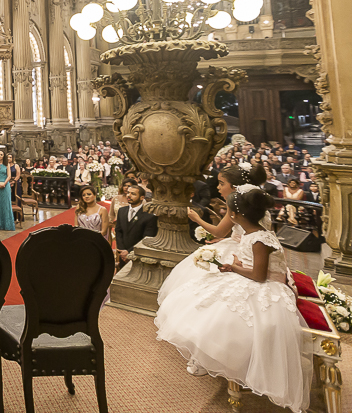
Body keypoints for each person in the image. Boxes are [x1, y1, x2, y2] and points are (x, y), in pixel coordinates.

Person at [155, 190, 310, 412]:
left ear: (235, 215)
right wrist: (237, 263)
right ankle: (207, 359)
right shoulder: (251, 233)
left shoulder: (259, 238)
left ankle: (232, 362)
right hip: (252, 277)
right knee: (199, 299)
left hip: (266, 287)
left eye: (228, 211)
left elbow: (259, 275)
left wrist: (234, 267)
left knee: (222, 316)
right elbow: (253, 264)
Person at [161, 165, 270, 299]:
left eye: (222, 183)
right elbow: (247, 233)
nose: (218, 187)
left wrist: (197, 219)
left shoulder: (236, 205)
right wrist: (226, 239)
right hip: (252, 247)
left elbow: (219, 231)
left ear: (235, 186)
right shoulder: (255, 203)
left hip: (243, 251)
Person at [114, 183, 158, 269]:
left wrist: (129, 252)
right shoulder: (122, 211)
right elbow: (118, 231)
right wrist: (122, 251)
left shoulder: (149, 216)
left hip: (138, 255)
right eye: (128, 193)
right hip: (123, 255)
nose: (129, 195)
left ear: (142, 197)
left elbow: (146, 238)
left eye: (133, 194)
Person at [0, 149, 15, 231]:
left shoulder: (7, 164)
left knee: (6, 204)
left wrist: (4, 183)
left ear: (3, 155)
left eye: (1, 154)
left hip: (5, 186)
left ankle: (7, 225)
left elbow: (9, 176)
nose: (0, 156)